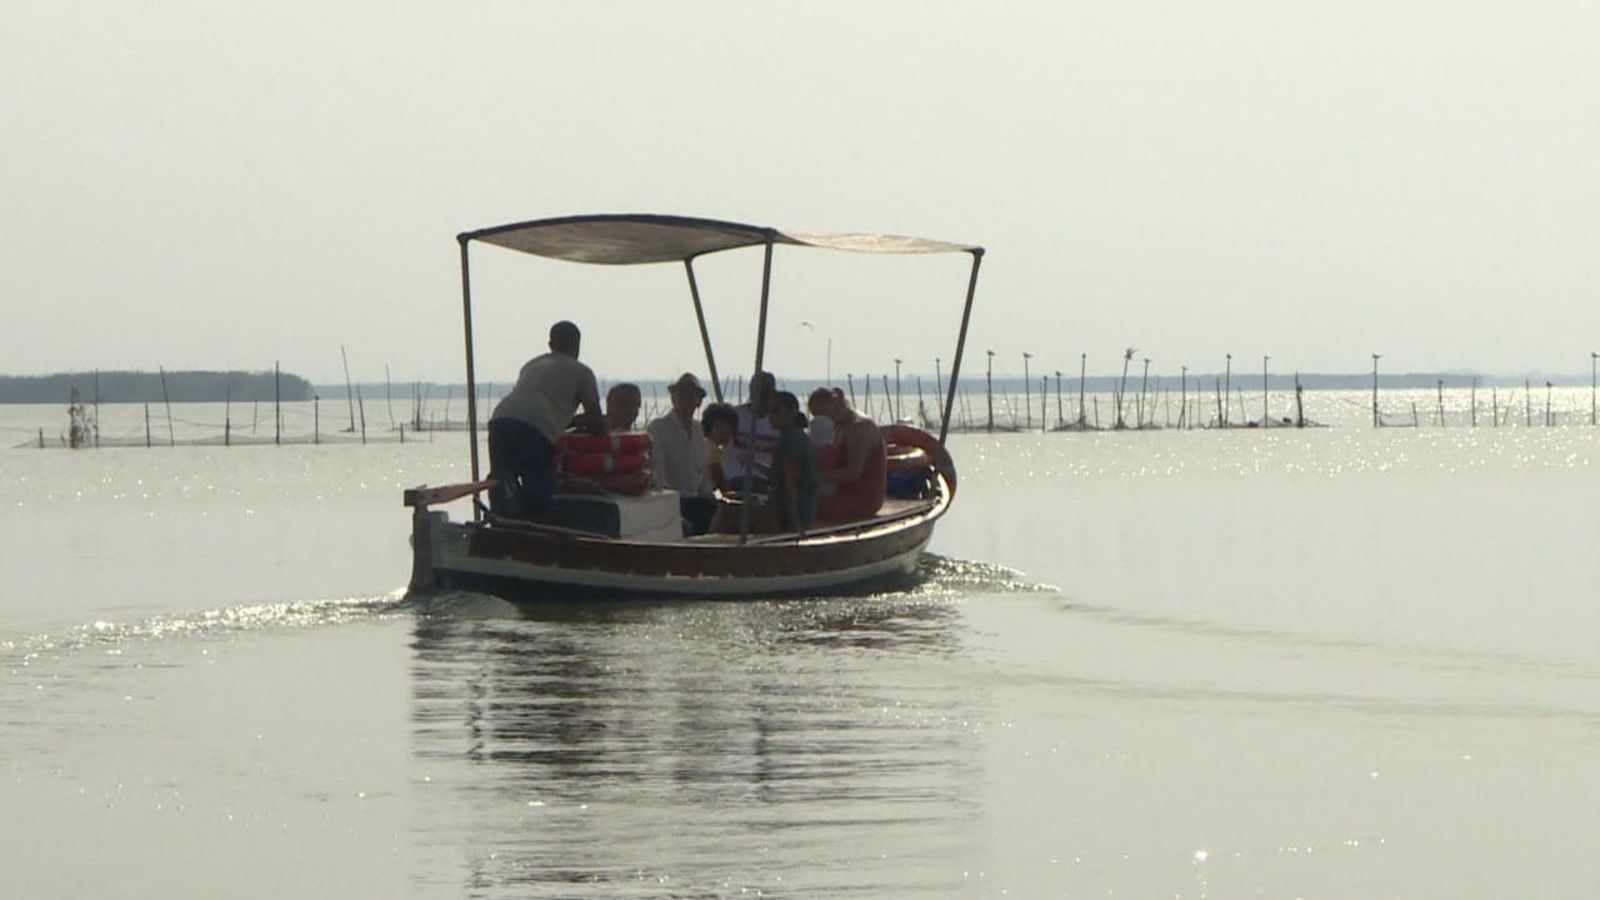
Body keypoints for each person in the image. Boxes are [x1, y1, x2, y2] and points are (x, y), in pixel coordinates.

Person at [487, 320, 604, 519]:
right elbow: (596, 421)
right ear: (578, 345)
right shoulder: (582, 372)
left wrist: (569, 421)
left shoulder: (532, 365)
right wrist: (583, 424)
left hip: (501, 419)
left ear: (550, 344)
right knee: (538, 483)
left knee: (502, 478)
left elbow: (544, 403)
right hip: (535, 428)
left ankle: (501, 521)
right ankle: (533, 527)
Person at [646, 373, 716, 535]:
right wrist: (667, 504)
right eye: (682, 395)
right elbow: (658, 471)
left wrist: (711, 498)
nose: (687, 400)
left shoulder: (698, 429)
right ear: (673, 398)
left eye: (692, 396)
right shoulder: (659, 427)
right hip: (672, 500)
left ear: (698, 401)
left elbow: (702, 472)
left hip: (697, 500)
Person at [807, 386, 886, 522]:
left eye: (821, 413)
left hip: (862, 499)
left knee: (801, 505)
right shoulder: (839, 426)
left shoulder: (859, 428)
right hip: (840, 492)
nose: (819, 419)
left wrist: (814, 475)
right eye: (815, 416)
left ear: (836, 406)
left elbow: (853, 474)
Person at [766, 391, 818, 533]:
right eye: (769, 411)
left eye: (776, 411)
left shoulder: (792, 440)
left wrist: (795, 524)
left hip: (794, 512)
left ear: (792, 412)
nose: (771, 416)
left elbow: (790, 483)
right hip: (795, 507)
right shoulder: (794, 436)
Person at [723, 371, 779, 494]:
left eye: (765, 392)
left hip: (766, 481)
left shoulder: (778, 423)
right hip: (735, 479)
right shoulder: (734, 415)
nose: (761, 397)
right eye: (757, 391)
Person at [701, 402, 738, 494]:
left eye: (728, 429)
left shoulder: (705, 444)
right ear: (709, 428)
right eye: (719, 428)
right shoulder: (712, 449)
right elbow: (719, 479)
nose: (724, 433)